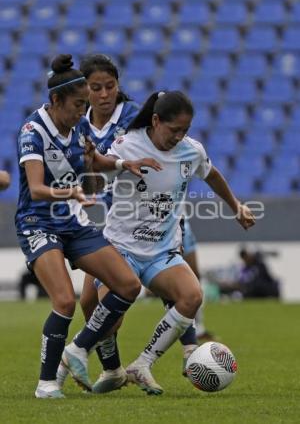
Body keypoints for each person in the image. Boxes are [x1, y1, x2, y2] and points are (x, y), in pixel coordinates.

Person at [62, 91, 255, 395]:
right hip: (120, 248)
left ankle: (142, 364)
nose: (179, 137)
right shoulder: (128, 144)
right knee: (105, 319)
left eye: (185, 131)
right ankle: (103, 367)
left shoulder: (191, 151)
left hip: (161, 251)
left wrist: (236, 206)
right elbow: (97, 184)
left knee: (192, 296)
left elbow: (213, 175)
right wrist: (90, 167)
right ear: (155, 121)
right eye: (173, 129)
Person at [56, 55, 214, 393]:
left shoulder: (133, 118)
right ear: (85, 90)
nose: (103, 94)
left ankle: (185, 349)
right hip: (113, 220)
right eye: (95, 88)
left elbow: (171, 158)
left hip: (152, 218)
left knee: (157, 283)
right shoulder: (79, 122)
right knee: (91, 303)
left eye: (109, 86)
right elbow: (90, 179)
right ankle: (113, 370)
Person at [15, 53, 161, 399]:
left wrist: (126, 163)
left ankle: (81, 349)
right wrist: (72, 192)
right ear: (55, 101)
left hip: (74, 222)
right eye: (78, 105)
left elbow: (95, 160)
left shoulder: (78, 125)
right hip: (38, 222)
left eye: (85, 105)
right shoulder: (32, 131)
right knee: (65, 300)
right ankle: (47, 383)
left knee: (127, 286)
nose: (84, 112)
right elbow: (35, 189)